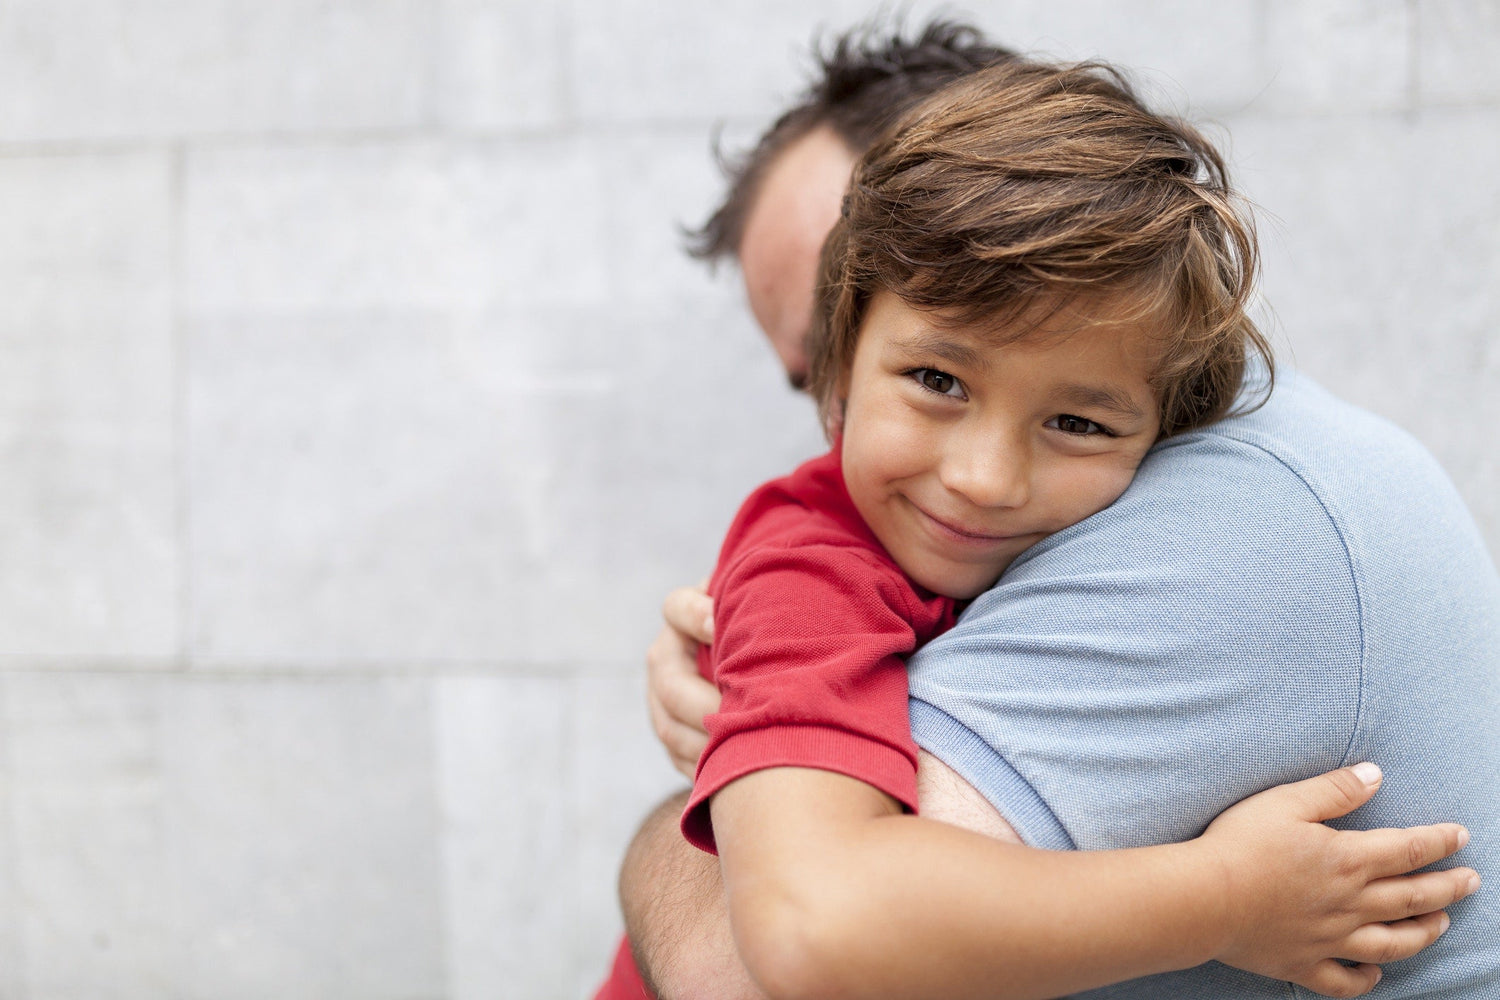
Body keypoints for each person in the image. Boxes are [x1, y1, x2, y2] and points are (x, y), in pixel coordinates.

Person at [598, 37, 1498, 1000]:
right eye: (936, 380)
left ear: (1168, 420)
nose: (985, 478)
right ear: (839, 371)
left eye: (1076, 421)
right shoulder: (808, 575)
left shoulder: (1243, 508)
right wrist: (1224, 899)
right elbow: (811, 933)